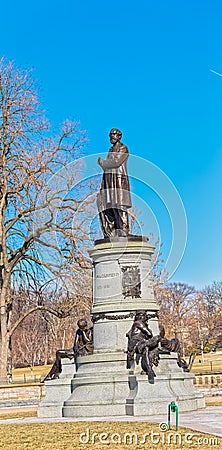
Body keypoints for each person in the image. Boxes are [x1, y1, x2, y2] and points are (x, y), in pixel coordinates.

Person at [97, 128, 132, 237]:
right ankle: (114, 231)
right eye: (110, 135)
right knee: (111, 206)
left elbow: (117, 162)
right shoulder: (111, 150)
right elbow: (108, 166)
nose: (111, 137)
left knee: (120, 206)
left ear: (119, 136)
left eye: (113, 134)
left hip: (119, 180)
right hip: (109, 181)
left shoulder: (123, 148)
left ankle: (124, 230)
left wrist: (103, 162)